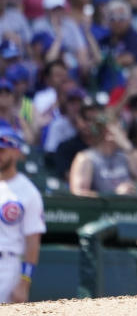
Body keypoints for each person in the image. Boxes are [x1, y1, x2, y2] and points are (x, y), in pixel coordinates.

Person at [0, 127, 44, 304]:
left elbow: (33, 240)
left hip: (7, 265)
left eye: (2, 151)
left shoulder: (28, 192)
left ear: (16, 152)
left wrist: (24, 283)